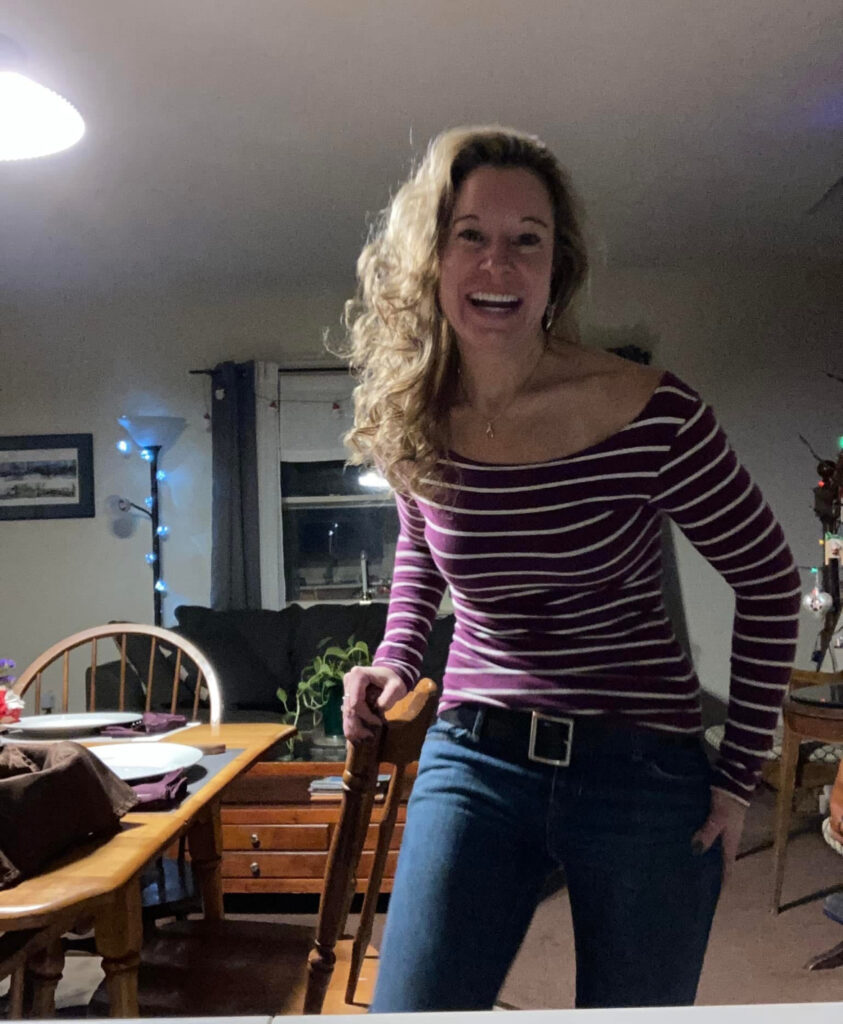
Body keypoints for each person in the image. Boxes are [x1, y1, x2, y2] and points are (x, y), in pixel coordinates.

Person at [335, 125, 801, 1010]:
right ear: (432, 256)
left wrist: (740, 774)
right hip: (475, 757)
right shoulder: (412, 412)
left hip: (641, 767)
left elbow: (771, 581)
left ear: (558, 267)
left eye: (527, 240)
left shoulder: (652, 414)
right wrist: (395, 657)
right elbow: (422, 548)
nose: (498, 264)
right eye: (470, 234)